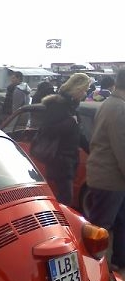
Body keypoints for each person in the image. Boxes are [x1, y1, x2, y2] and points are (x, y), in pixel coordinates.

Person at [86, 68, 125, 270]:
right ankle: (96, 270)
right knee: (101, 228)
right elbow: (122, 148)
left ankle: (116, 262)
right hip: (109, 178)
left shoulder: (109, 104)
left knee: (117, 223)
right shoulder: (119, 108)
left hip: (107, 177)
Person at [38, 72, 90, 205]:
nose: (85, 94)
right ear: (77, 89)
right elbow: (47, 131)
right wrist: (70, 122)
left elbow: (79, 135)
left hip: (68, 160)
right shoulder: (57, 105)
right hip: (59, 160)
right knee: (65, 200)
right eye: (84, 90)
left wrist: (92, 150)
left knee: (64, 199)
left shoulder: (71, 107)